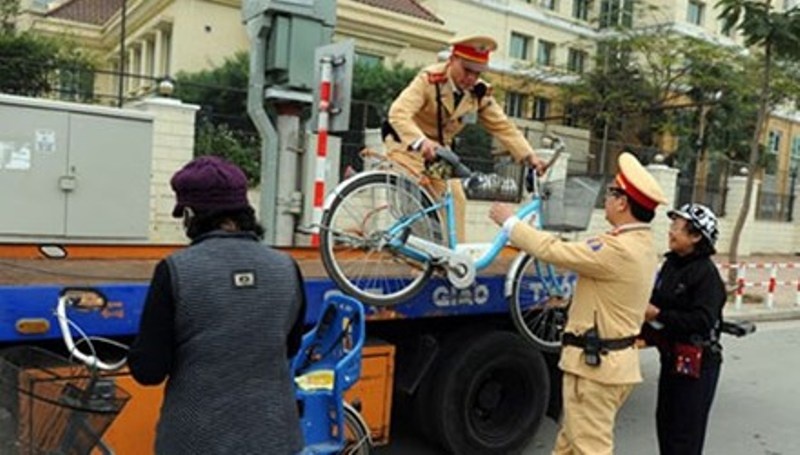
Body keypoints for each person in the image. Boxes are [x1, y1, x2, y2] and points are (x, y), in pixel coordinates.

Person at [489, 152, 667, 455]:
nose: (606, 198)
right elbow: (608, 291)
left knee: (588, 450)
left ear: (622, 202)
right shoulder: (641, 244)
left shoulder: (618, 248)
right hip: (598, 364)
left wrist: (511, 223)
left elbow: (554, 250)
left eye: (612, 192)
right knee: (568, 447)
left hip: (596, 370)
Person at [128, 156, 307, 455]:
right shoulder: (287, 268)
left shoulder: (175, 270)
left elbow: (149, 370)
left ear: (190, 214)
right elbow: (289, 347)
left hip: (195, 440)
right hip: (275, 437)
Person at [384, 35, 546, 242]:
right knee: (420, 189)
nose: (471, 78)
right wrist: (420, 141)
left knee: (455, 199)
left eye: (477, 72)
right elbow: (398, 112)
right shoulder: (429, 80)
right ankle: (414, 249)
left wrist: (529, 156)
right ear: (452, 60)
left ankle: (455, 260)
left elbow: (503, 126)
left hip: (440, 153)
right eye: (466, 69)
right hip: (408, 143)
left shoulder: (479, 93)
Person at [642, 203, 725, 455]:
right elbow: (657, 301)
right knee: (666, 426)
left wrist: (658, 314)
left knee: (684, 436)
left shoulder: (706, 274)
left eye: (677, 227)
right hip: (672, 358)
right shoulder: (672, 265)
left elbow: (702, 320)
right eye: (672, 226)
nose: (670, 232)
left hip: (697, 364)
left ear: (696, 236)